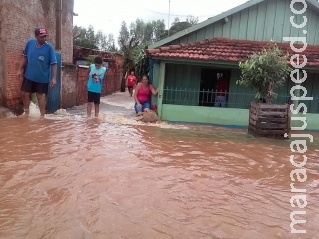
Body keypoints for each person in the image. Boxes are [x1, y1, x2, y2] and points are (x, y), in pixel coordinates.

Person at [17, 27, 57, 118]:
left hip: (42, 78)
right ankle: (26, 113)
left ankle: (42, 116)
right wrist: (20, 69)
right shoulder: (30, 43)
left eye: (45, 36)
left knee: (40, 96)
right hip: (29, 75)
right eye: (41, 37)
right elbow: (25, 57)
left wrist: (54, 78)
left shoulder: (49, 47)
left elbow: (54, 63)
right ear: (36, 36)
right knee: (24, 93)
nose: (44, 38)